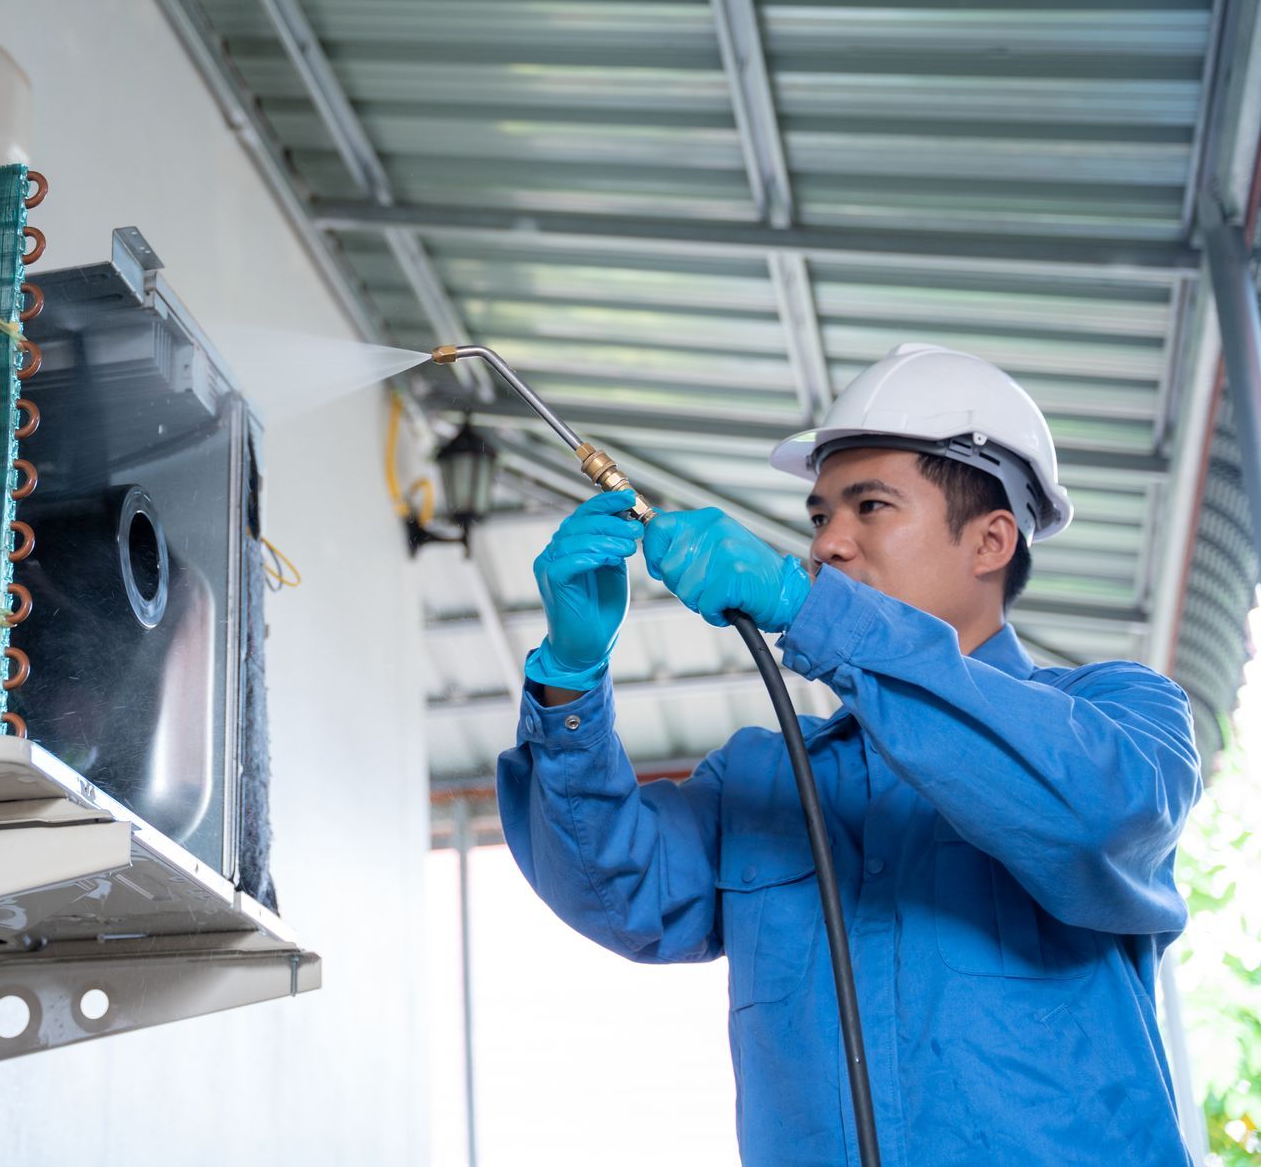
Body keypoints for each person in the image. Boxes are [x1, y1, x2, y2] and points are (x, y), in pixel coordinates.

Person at [499, 343, 1201, 1167]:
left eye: (870, 506)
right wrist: (569, 685)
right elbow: (618, 895)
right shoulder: (766, 778)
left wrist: (813, 613)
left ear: (991, 540)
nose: (829, 543)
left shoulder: (1120, 713)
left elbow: (1095, 818)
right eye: (821, 516)